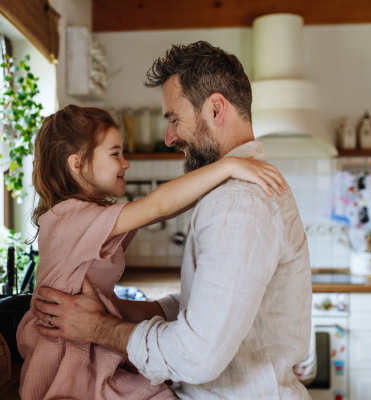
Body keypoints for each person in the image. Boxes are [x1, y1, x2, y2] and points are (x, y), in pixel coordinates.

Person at [32, 41, 313, 399]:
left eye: (173, 118)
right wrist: (117, 310)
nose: (169, 137)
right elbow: (215, 308)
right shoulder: (233, 190)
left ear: (215, 108)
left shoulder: (237, 202)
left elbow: (196, 357)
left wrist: (99, 327)